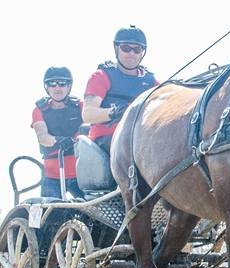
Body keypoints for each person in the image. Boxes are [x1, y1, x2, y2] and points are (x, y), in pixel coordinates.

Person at [82, 25, 158, 153]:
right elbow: (87, 114)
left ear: (142, 52)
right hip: (106, 143)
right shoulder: (101, 76)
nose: (131, 54)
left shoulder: (152, 82)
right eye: (126, 48)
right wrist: (115, 112)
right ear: (116, 48)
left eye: (137, 49)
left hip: (140, 140)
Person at [31, 66, 85, 199]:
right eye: (52, 83)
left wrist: (76, 139)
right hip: (52, 175)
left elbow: (88, 129)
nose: (57, 88)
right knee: (50, 215)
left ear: (69, 86)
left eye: (62, 83)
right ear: (46, 87)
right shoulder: (39, 110)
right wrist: (58, 140)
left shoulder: (80, 106)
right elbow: (42, 137)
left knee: (94, 213)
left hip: (80, 173)